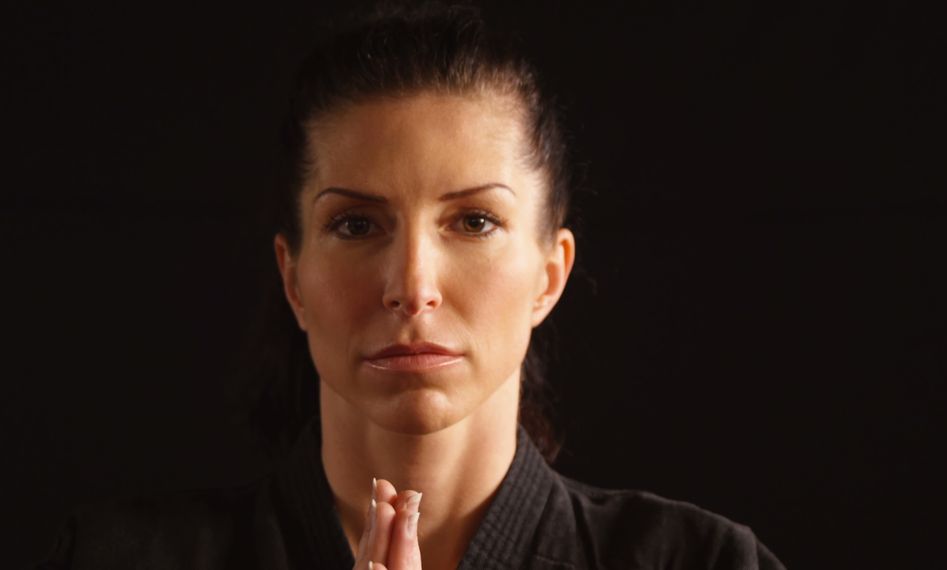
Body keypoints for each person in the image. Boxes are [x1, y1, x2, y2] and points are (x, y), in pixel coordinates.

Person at [35, 2, 784, 568]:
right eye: (357, 226)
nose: (411, 286)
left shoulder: (705, 561)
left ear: (549, 275)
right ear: (293, 277)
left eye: (474, 222)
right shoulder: (117, 556)